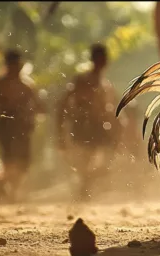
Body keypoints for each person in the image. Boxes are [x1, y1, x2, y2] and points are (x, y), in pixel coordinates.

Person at [55, 44, 117, 201]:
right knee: (85, 160)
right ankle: (84, 186)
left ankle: (86, 184)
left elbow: (109, 110)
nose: (101, 63)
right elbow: (64, 103)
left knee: (105, 161)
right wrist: (60, 128)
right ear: (93, 60)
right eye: (98, 59)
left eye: (103, 59)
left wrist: (114, 127)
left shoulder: (106, 84)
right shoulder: (82, 81)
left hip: (99, 127)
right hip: (83, 125)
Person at [0, 50, 43, 202]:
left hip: (22, 127)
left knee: (23, 161)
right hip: (6, 126)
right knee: (8, 157)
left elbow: (39, 106)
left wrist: (31, 119)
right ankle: (8, 187)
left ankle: (14, 188)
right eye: (12, 65)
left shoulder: (27, 85)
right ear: (8, 65)